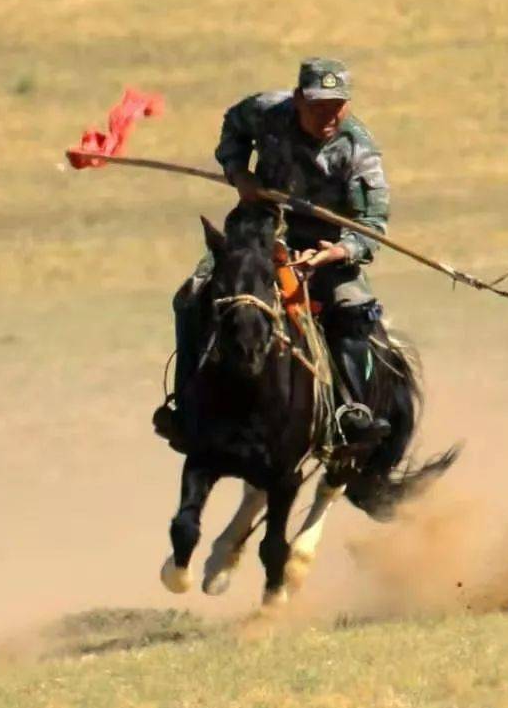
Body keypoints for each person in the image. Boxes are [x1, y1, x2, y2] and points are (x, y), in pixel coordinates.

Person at [153, 58, 392, 452]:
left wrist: (337, 251)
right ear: (297, 99)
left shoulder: (358, 150)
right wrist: (238, 172)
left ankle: (351, 412)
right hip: (256, 231)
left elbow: (373, 223)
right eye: (317, 106)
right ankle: (184, 408)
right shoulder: (265, 111)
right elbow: (233, 126)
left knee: (352, 308)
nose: (328, 116)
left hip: (322, 246)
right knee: (191, 295)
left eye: (337, 106)